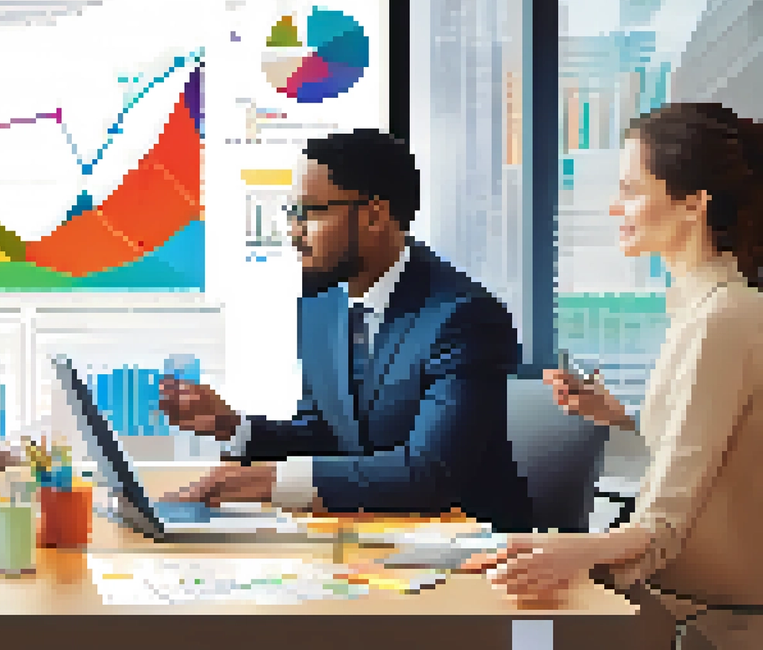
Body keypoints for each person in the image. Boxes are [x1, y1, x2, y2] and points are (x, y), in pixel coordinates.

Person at [464, 103, 763, 650]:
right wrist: (618, 418)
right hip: (682, 606)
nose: (614, 207)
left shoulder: (722, 319)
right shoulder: (707, 311)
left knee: (495, 625)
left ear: (692, 205)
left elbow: (666, 524)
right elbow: (709, 465)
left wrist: (574, 550)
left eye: (630, 189)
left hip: (702, 624)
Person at [158, 129, 532, 532]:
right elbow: (326, 434)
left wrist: (267, 481)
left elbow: (431, 472)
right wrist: (234, 427)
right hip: (369, 537)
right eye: (291, 212)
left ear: (374, 216)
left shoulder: (463, 317)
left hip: (471, 552)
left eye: (311, 212)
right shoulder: (322, 308)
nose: (293, 230)